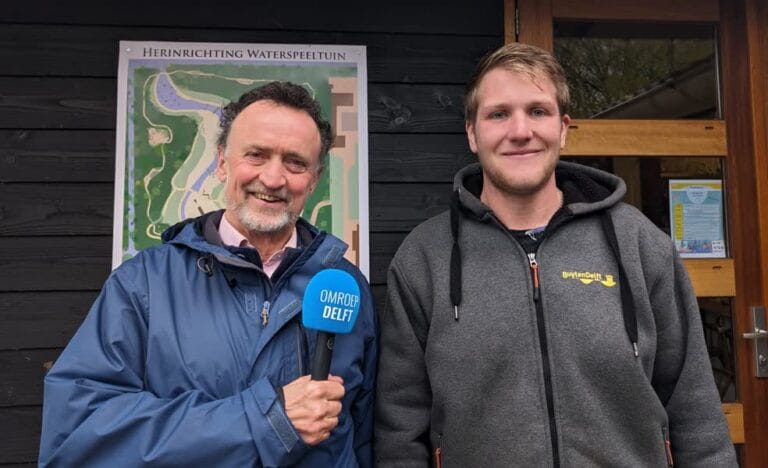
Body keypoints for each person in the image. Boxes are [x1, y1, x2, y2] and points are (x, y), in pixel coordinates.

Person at [374, 43, 736, 467]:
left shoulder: (639, 245)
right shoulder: (424, 259)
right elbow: (400, 432)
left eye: (538, 111)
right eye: (498, 114)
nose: (520, 130)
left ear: (563, 129)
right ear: (472, 133)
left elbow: (696, 415)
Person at [39, 82, 377, 467]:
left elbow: (363, 437)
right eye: (256, 155)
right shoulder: (142, 285)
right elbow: (76, 437)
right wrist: (263, 422)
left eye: (295, 162)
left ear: (314, 180)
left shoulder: (344, 283)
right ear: (221, 162)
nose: (273, 178)